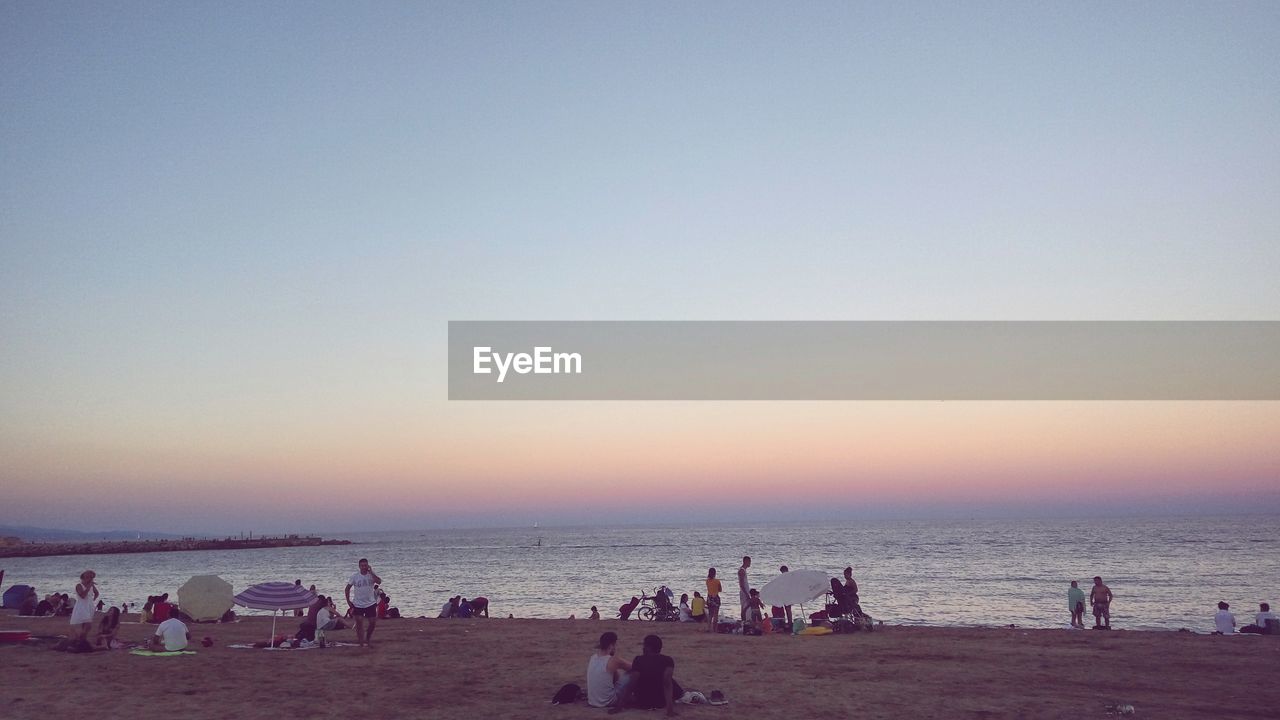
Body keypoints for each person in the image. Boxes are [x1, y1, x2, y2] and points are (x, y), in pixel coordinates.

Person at [628, 634, 682, 716]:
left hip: (642, 702)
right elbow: (667, 684)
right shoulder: (668, 660)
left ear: (649, 647)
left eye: (644, 645)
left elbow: (632, 683)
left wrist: (620, 705)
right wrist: (670, 711)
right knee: (670, 680)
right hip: (661, 702)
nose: (643, 648)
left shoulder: (638, 659)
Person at [586, 631, 633, 709]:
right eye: (615, 645)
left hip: (592, 701)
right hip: (608, 701)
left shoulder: (593, 657)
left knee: (612, 672)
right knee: (633, 674)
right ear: (611, 645)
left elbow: (615, 677)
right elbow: (634, 667)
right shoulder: (613, 660)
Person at [345, 557, 382, 647]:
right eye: (362, 565)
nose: (364, 567)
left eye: (365, 565)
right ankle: (361, 642)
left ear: (368, 565)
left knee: (372, 623)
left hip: (370, 603)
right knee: (359, 623)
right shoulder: (355, 576)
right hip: (358, 604)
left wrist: (372, 572)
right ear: (359, 566)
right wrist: (348, 601)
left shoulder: (371, 575)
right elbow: (347, 589)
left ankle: (367, 639)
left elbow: (379, 581)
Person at [70, 570, 99, 641]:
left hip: (89, 606)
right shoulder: (79, 585)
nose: (91, 579)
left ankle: (83, 639)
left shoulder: (91, 585)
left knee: (86, 625)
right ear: (84, 578)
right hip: (81, 606)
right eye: (89, 577)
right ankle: (80, 638)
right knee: (87, 625)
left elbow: (97, 593)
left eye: (92, 578)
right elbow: (82, 595)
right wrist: (88, 587)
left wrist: (93, 600)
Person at [705, 568, 722, 633]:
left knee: (710, 614)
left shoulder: (707, 581)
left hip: (709, 598)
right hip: (715, 598)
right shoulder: (717, 581)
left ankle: (708, 628)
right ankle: (715, 629)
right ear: (715, 573)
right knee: (715, 614)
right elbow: (720, 590)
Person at [737, 556, 752, 621]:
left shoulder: (744, 570)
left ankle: (745, 619)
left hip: (746, 591)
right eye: (749, 561)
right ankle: (743, 621)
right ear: (746, 561)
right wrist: (746, 594)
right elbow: (741, 584)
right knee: (744, 607)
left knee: (746, 606)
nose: (750, 563)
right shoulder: (742, 571)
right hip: (744, 592)